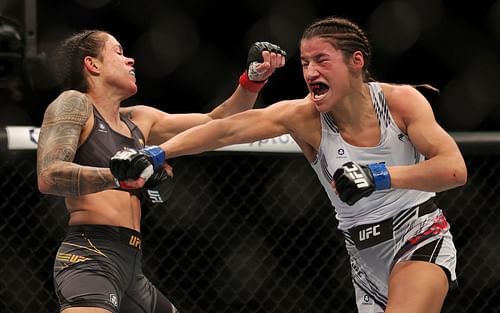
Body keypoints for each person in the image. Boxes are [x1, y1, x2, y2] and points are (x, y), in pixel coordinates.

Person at [109, 16, 468, 313]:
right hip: (362, 257)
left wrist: (379, 175)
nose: (310, 71)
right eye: (305, 62)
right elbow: (222, 130)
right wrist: (158, 153)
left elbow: (453, 169)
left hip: (418, 236)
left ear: (356, 62)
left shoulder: (400, 102)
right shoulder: (301, 116)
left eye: (321, 60)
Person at [36, 29, 286, 313]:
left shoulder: (140, 120)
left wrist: (252, 80)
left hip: (133, 263)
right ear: (92, 65)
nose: (130, 60)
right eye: (118, 52)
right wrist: (118, 175)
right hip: (90, 255)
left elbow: (216, 121)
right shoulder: (74, 103)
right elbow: (49, 175)